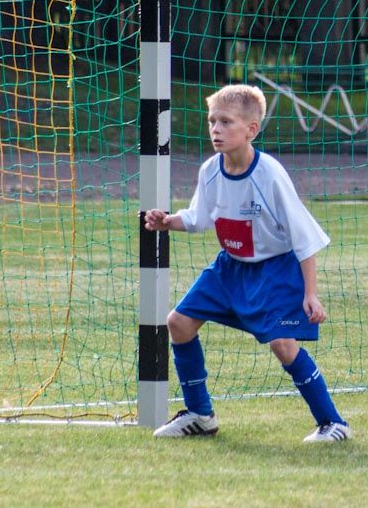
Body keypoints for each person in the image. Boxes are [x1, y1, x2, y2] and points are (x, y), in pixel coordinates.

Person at [144, 84, 350, 443]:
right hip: (229, 268)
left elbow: (304, 237)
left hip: (275, 270)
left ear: (251, 130)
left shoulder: (269, 175)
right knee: (178, 323)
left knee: (283, 346)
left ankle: (333, 423)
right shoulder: (210, 170)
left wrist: (311, 295)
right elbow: (198, 218)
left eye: (226, 122)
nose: (216, 129)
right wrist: (167, 221)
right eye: (212, 121)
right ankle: (200, 414)